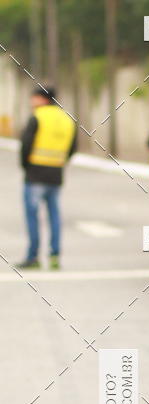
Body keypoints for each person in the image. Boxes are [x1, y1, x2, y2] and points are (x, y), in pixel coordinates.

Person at [17, 85, 77, 270]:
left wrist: (25, 166)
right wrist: (60, 162)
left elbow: (26, 144)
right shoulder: (67, 118)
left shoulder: (38, 116)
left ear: (43, 99)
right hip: (56, 173)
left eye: (34, 97)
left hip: (35, 173)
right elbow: (72, 147)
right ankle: (55, 256)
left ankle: (33, 257)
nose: (32, 101)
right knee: (54, 216)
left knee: (33, 216)